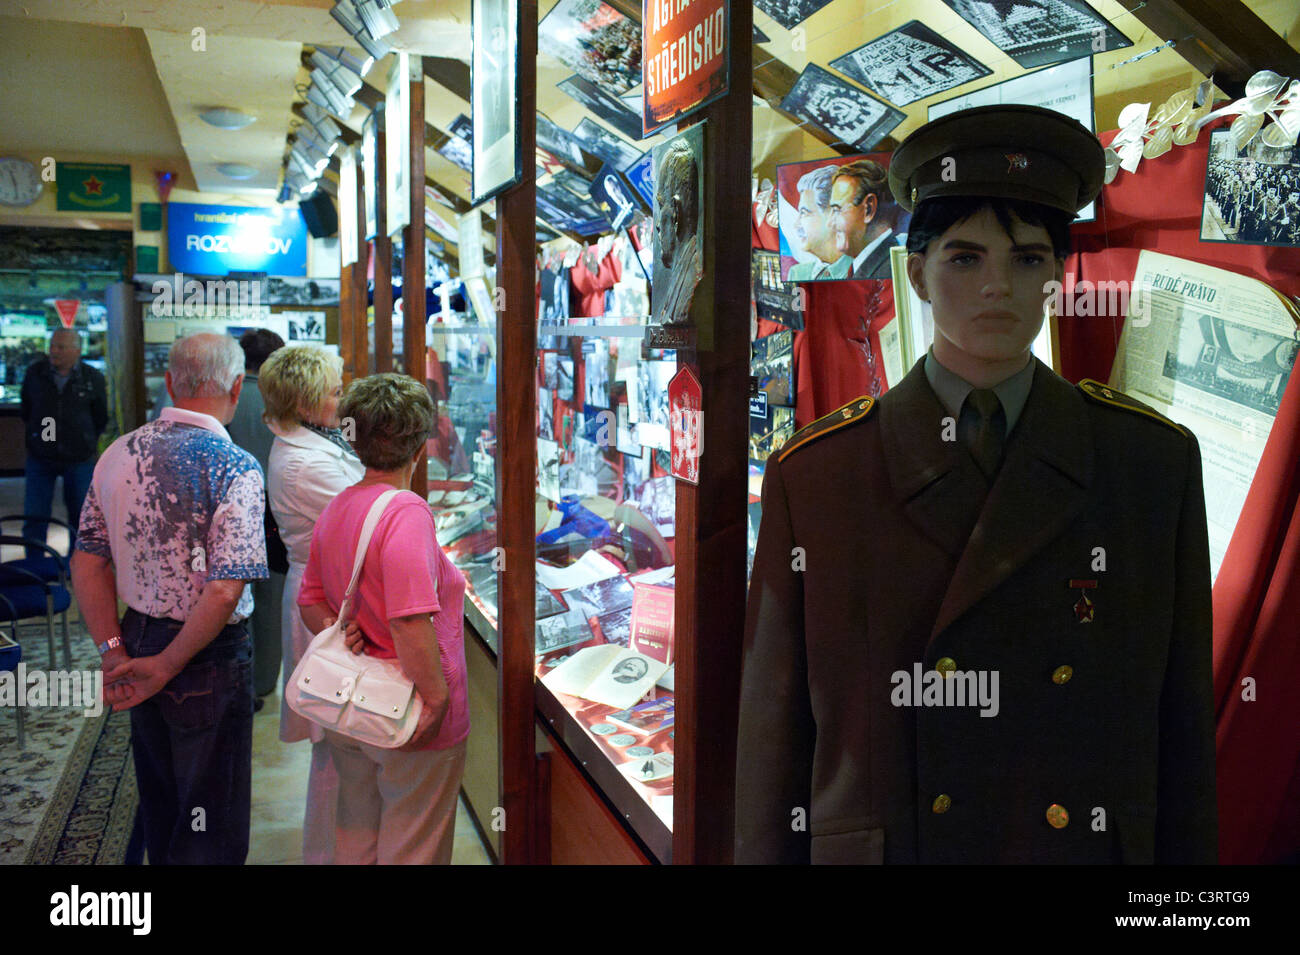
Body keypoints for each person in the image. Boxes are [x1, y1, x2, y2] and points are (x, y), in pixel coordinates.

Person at [735, 104, 1217, 864]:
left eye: (1027, 258)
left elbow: (1184, 734)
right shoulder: (819, 478)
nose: (999, 286)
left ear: (1059, 274)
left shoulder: (1149, 464)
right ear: (918, 273)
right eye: (965, 257)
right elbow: (773, 742)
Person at [71, 332, 268, 864]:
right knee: (211, 817)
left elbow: (88, 560)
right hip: (204, 653)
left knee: (162, 800)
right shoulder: (235, 466)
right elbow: (225, 588)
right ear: (235, 386)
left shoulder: (118, 453)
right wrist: (168, 663)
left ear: (168, 382)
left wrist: (115, 649)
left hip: (137, 635)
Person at [298, 373, 469, 865]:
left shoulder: (339, 506)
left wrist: (340, 626)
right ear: (421, 442)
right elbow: (410, 621)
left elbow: (308, 599)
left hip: (350, 704)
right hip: (406, 704)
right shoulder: (406, 511)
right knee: (415, 844)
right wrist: (436, 700)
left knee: (357, 833)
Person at [259, 345, 365, 865]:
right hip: (321, 602)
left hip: (322, 591)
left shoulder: (311, 442)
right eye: (332, 391)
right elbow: (365, 514)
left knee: (342, 740)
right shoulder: (304, 462)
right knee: (335, 747)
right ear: (305, 402)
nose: (340, 397)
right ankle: (327, 855)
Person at [225, 329, 286, 706]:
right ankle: (263, 682)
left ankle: (234, 678)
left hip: (230, 509)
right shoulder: (280, 401)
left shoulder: (226, 398)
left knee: (229, 594)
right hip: (273, 508)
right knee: (272, 599)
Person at [20, 328, 108, 556]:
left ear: (76, 350)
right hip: (41, 457)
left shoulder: (92, 378)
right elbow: (27, 410)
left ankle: (76, 567)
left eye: (60, 346)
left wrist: (84, 441)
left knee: (80, 517)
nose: (53, 351)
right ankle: (33, 565)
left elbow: (100, 417)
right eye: (52, 345)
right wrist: (39, 437)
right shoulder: (35, 374)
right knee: (35, 515)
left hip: (79, 459)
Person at [828, 158, 895, 280]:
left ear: (868, 209)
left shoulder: (889, 269)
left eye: (837, 210)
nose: (830, 223)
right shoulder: (878, 263)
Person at [787, 166, 851, 281]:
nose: (796, 225)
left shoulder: (862, 269)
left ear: (834, 214)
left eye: (804, 213)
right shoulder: (797, 273)